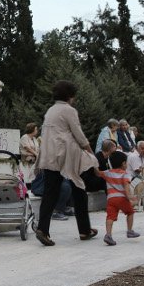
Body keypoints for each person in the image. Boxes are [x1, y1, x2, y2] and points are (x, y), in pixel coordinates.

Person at [34, 80, 97, 246]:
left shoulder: (50, 110)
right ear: (70, 96)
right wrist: (90, 152)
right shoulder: (69, 110)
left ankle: (42, 229)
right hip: (66, 155)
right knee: (79, 189)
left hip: (48, 156)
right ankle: (84, 230)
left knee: (50, 193)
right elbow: (79, 135)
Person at [101, 151, 140, 246]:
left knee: (110, 217)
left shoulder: (107, 173)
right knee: (130, 212)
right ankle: (130, 231)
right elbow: (127, 188)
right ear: (123, 163)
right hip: (122, 199)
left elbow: (98, 173)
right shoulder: (125, 174)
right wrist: (131, 198)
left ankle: (108, 234)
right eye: (126, 162)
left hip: (111, 199)